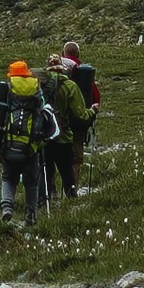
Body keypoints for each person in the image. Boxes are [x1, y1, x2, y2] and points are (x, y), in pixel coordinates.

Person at [0, 57, 56, 222]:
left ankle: (7, 207)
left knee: (8, 177)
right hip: (31, 146)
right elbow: (43, 114)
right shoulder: (37, 90)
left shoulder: (6, 90)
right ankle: (31, 214)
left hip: (8, 144)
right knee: (31, 182)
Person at [44, 53, 93, 200]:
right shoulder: (70, 86)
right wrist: (92, 111)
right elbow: (80, 114)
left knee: (47, 170)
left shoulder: (39, 85)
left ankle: (49, 196)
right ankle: (71, 198)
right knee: (67, 172)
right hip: (63, 137)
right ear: (62, 69)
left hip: (44, 137)